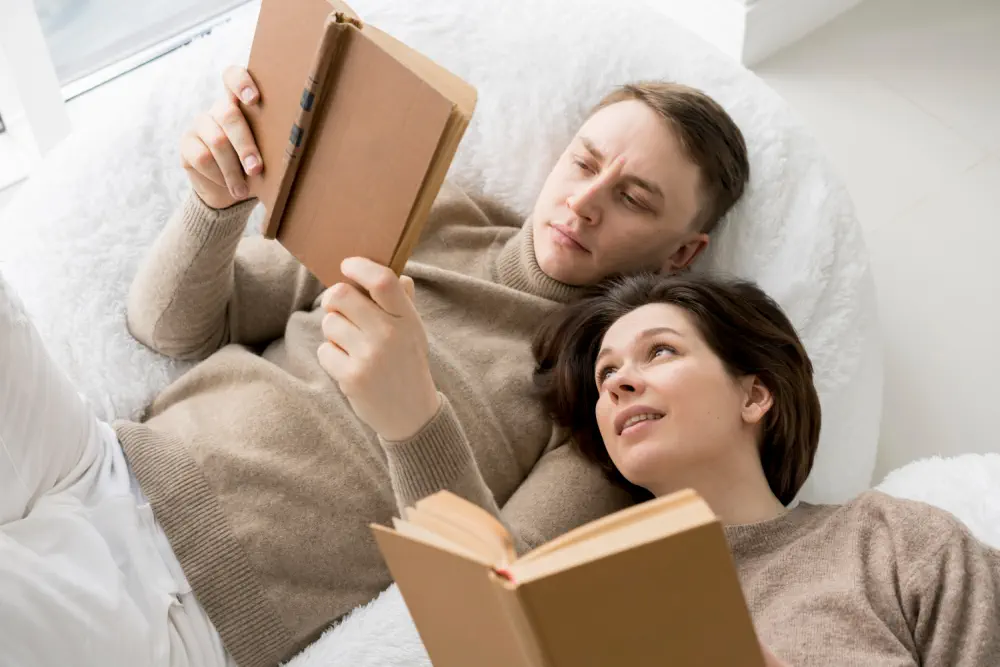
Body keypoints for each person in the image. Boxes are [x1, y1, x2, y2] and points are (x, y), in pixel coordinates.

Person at [0, 68, 750, 666]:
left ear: (680, 254)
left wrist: (413, 419)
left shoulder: (608, 401)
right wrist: (214, 207)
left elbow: (496, 606)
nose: (584, 201)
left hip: (179, 600)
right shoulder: (433, 214)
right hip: (102, 459)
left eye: (632, 199)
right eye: (583, 162)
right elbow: (172, 326)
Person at [520, 272, 998, 666]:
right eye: (606, 373)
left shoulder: (895, 541)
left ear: (753, 396)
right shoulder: (596, 613)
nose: (618, 383)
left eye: (661, 351)